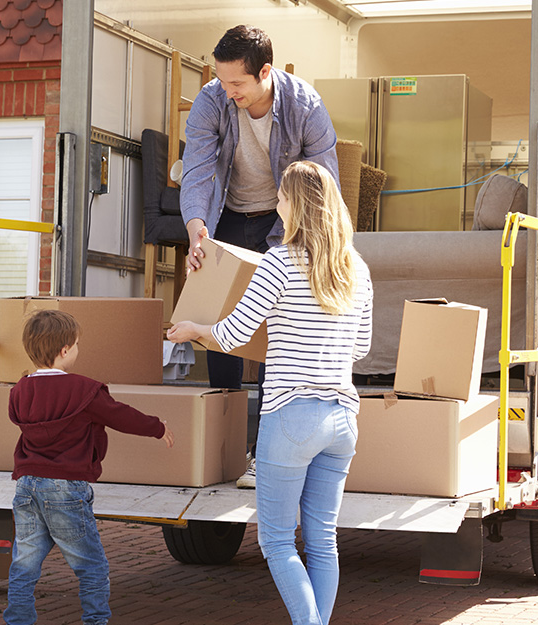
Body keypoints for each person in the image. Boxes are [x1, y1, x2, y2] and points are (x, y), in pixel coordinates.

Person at [168, 161, 372, 625]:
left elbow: (236, 333)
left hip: (291, 416)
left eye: (281, 197)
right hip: (342, 417)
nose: (276, 205)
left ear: (295, 205)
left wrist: (195, 329)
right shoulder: (356, 268)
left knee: (277, 541)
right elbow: (360, 347)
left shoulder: (279, 262)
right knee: (322, 539)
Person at [180, 24, 340, 488]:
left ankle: (265, 454)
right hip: (225, 217)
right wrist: (196, 230)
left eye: (237, 84)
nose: (226, 91)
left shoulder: (305, 106)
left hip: (284, 222)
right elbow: (197, 169)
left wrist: (300, 246)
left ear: (265, 72)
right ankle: (225, 449)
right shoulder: (213, 100)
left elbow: (322, 183)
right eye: (221, 80)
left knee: (276, 330)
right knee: (220, 321)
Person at [3, 309, 175, 625]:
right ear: (65, 350)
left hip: (26, 485)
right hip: (66, 487)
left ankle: (18, 620)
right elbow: (120, 415)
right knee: (91, 565)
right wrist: (157, 427)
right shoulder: (84, 391)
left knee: (24, 563)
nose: (78, 350)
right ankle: (95, 621)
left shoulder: (20, 390)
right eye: (77, 344)